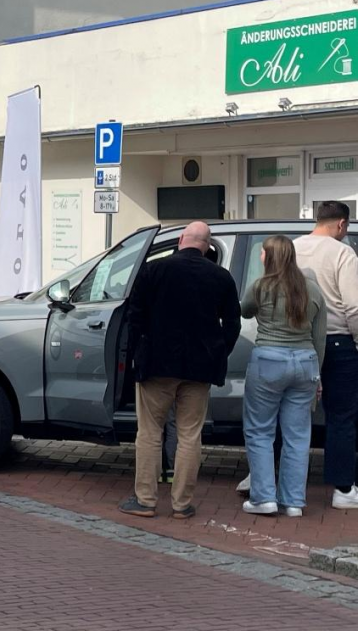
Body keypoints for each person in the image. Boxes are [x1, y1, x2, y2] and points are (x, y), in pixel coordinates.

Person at [119, 221, 241, 520]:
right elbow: (233, 325)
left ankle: (146, 500)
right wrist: (217, 352)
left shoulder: (154, 270)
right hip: (200, 368)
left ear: (182, 239)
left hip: (157, 365)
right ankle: (182, 504)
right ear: (208, 245)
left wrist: (138, 355)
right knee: (190, 434)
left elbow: (135, 317)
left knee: (149, 433)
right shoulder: (221, 276)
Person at [240, 235, 327, 517]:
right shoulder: (312, 289)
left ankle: (264, 497)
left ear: (270, 257)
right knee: (298, 436)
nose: (261, 258)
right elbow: (320, 337)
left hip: (269, 360)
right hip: (305, 363)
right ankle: (293, 503)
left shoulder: (261, 286)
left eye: (263, 254)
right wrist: (318, 376)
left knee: (260, 430)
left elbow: (243, 310)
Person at [292, 201, 358, 510]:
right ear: (342, 224)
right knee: (341, 417)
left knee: (288, 414)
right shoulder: (342, 253)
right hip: (337, 342)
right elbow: (354, 306)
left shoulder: (292, 248)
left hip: (297, 341)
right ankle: (343, 490)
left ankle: (270, 481)